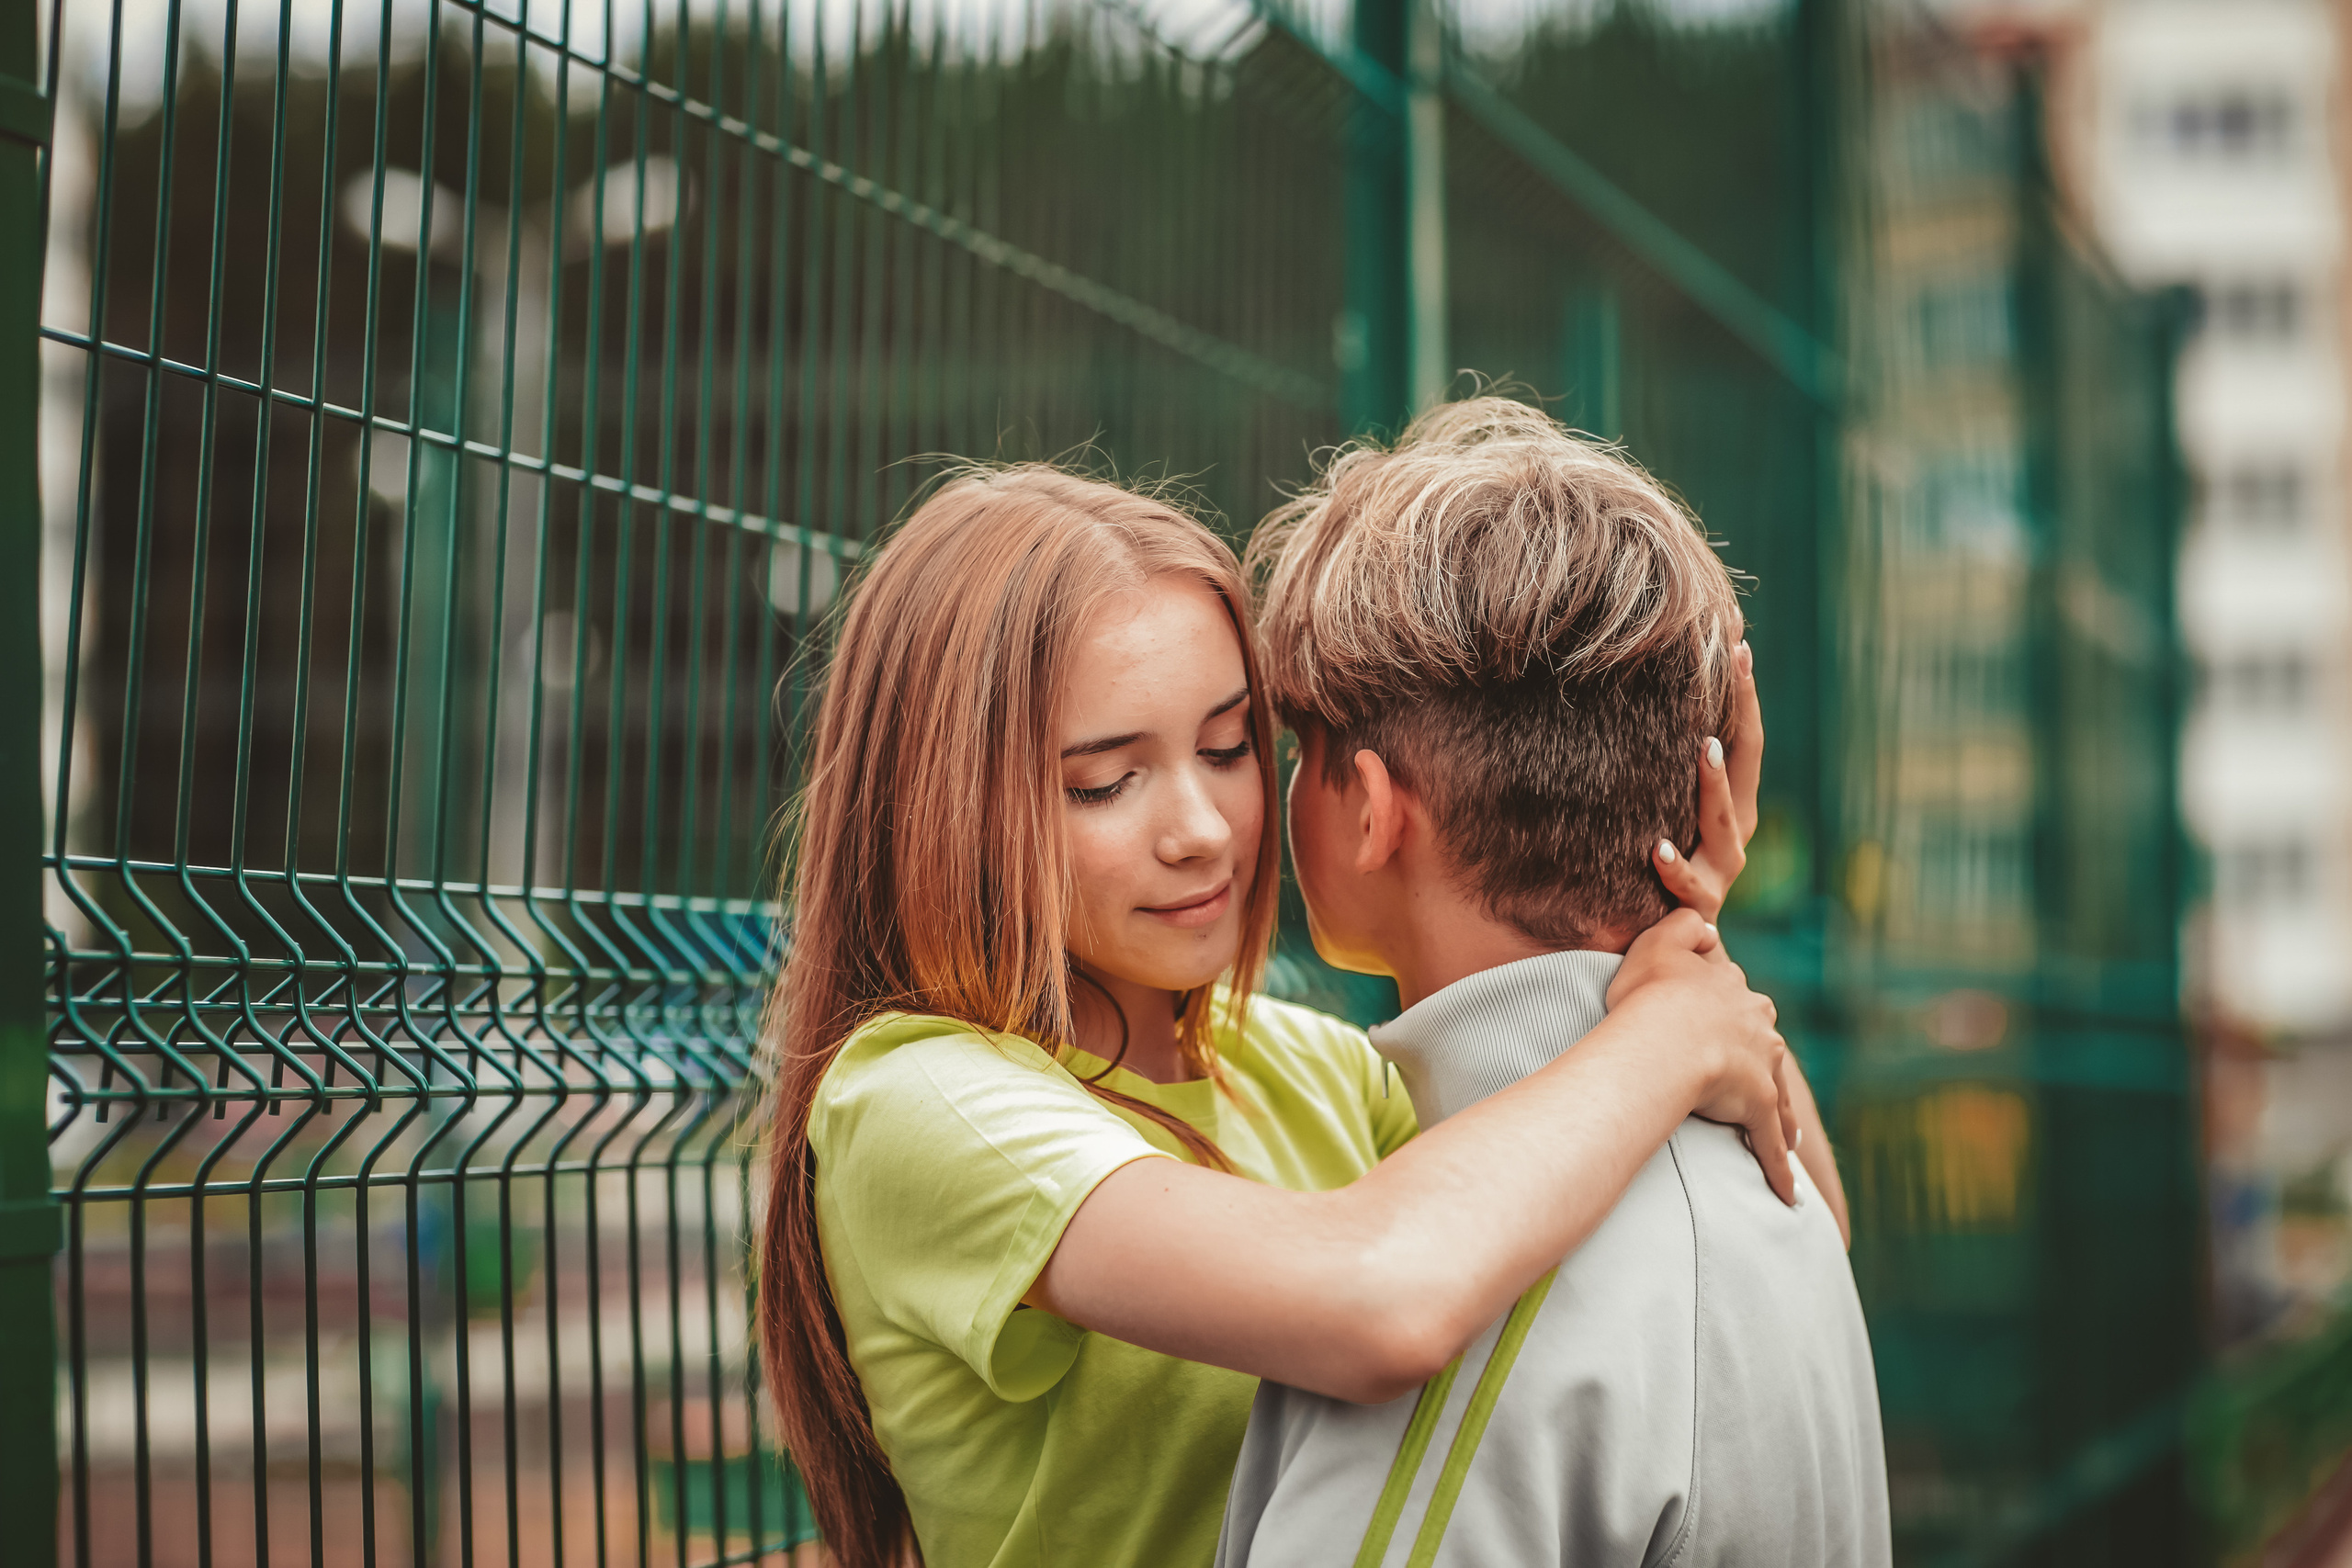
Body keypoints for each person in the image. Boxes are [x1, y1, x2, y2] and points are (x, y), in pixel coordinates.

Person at [758, 463, 1816, 1568]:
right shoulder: (920, 1100)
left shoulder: (1312, 1066)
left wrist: (1672, 921)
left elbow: (1774, 1209)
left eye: (1228, 749)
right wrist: (1667, 1033)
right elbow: (1380, 1301)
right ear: (947, 804)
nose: (1203, 830)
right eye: (1105, 781)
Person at [1216, 397, 1889, 1568]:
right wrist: (1685, 926)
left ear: (1370, 810)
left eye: (1295, 749)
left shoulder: (1456, 1301)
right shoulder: (1777, 1196)